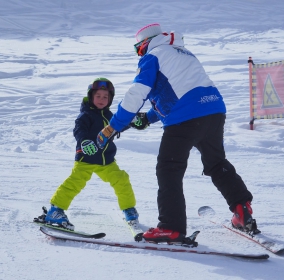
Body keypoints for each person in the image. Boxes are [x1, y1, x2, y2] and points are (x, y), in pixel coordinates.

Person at [96, 23, 257, 244]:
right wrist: (149, 117)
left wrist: (113, 125)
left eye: (138, 49)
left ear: (144, 44)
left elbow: (136, 94)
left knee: (169, 168)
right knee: (216, 162)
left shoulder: (152, 56)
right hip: (214, 110)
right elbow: (178, 92)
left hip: (186, 117)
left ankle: (171, 227)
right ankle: (242, 211)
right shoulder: (183, 52)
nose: (139, 54)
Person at [38, 78, 139, 230]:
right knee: (75, 183)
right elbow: (79, 130)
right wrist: (84, 141)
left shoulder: (109, 115)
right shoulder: (86, 115)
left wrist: (131, 121)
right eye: (98, 96)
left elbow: (118, 126)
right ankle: (55, 210)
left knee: (122, 180)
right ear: (91, 97)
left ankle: (128, 209)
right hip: (86, 158)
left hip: (107, 161)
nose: (101, 99)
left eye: (105, 97)